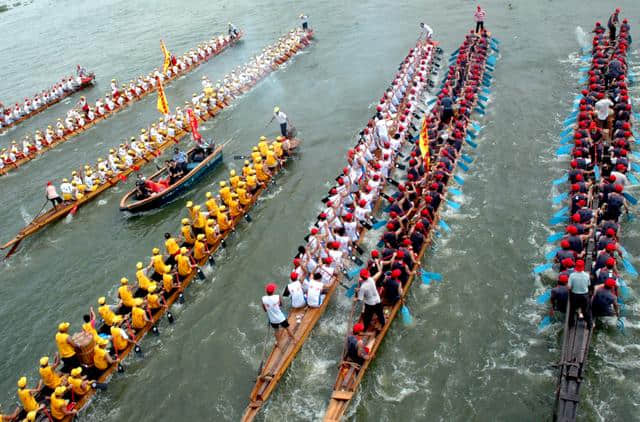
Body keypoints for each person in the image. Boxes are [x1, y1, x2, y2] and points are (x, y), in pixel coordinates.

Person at [262, 283, 295, 347]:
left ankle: (278, 343)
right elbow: (280, 305)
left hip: (272, 320)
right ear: (273, 291)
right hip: (281, 318)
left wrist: (269, 309)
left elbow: (265, 309)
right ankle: (294, 340)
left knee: (276, 331)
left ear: (266, 291)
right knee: (287, 328)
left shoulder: (263, 299)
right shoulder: (277, 297)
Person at [567, 260, 592, 328]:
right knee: (586, 311)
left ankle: (571, 324)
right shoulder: (587, 275)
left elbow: (569, 287)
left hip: (575, 295)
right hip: (584, 295)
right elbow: (588, 284)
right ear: (583, 267)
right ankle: (589, 325)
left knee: (572, 310)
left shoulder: (572, 275)